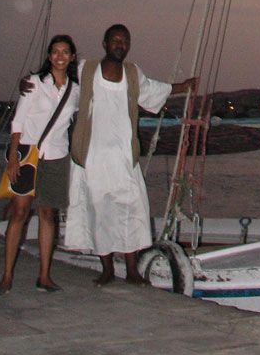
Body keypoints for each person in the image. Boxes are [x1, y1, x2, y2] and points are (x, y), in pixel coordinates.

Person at [65, 24, 195, 286]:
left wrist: (183, 86)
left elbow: (153, 90)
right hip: (94, 156)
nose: (120, 45)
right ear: (105, 43)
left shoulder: (133, 73)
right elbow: (58, 78)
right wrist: (32, 82)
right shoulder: (86, 69)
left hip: (124, 155)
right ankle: (107, 269)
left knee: (131, 210)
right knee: (99, 212)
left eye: (125, 41)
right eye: (115, 40)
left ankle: (132, 270)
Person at [0, 34, 80, 295]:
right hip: (28, 154)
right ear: (49, 56)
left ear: (72, 57)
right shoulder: (34, 83)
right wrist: (13, 158)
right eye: (55, 51)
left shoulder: (76, 90)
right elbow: (18, 121)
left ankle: (44, 276)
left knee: (47, 215)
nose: (60, 56)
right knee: (19, 213)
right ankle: (7, 276)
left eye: (65, 52)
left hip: (57, 156)